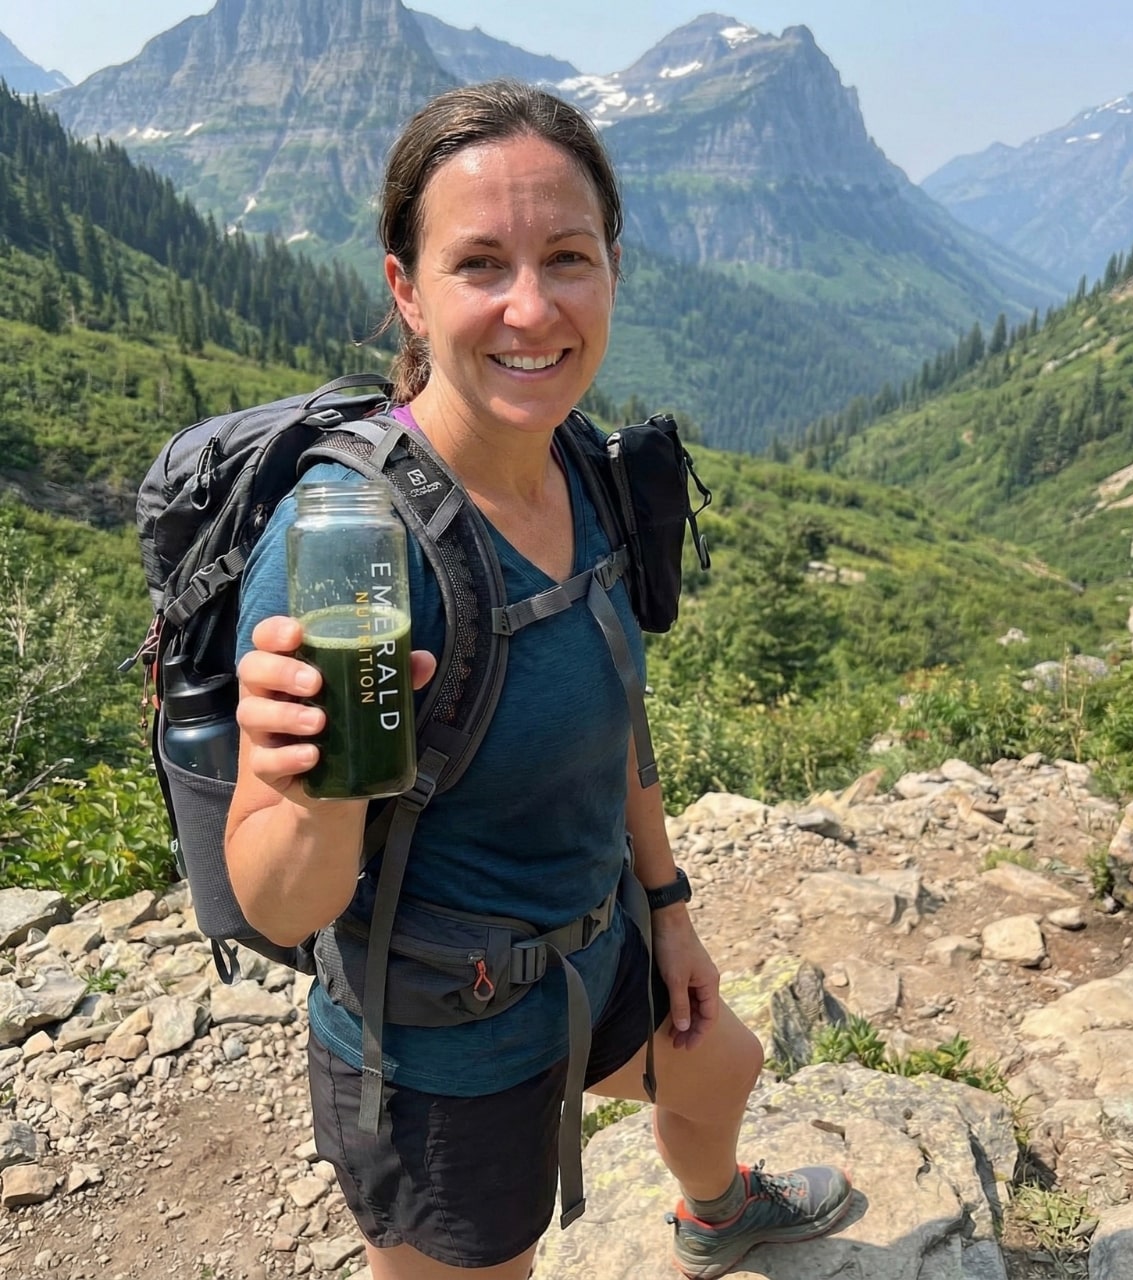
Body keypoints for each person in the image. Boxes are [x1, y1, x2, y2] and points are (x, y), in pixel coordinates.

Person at [225, 79, 853, 1280]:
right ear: (405, 288)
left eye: (566, 255)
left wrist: (665, 906)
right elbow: (283, 904)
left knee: (720, 1061)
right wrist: (304, 782)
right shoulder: (350, 550)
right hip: (441, 1049)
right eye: (479, 264)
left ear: (612, 265)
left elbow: (614, 702)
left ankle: (714, 1210)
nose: (532, 306)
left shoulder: (576, 458)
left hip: (593, 949)